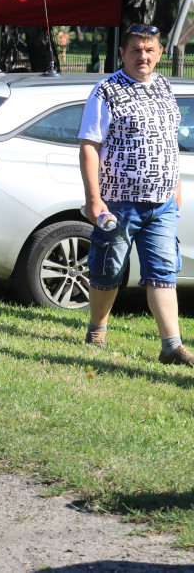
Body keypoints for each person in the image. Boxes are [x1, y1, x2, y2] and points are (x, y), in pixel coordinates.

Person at [79, 23, 190, 366]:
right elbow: (89, 146)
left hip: (162, 202)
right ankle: (97, 329)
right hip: (119, 201)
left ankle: (171, 346)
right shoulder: (106, 90)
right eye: (135, 50)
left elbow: (169, 143)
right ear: (123, 54)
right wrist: (94, 199)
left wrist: (176, 186)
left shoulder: (165, 86)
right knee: (109, 270)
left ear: (159, 53)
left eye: (149, 50)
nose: (143, 56)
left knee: (163, 271)